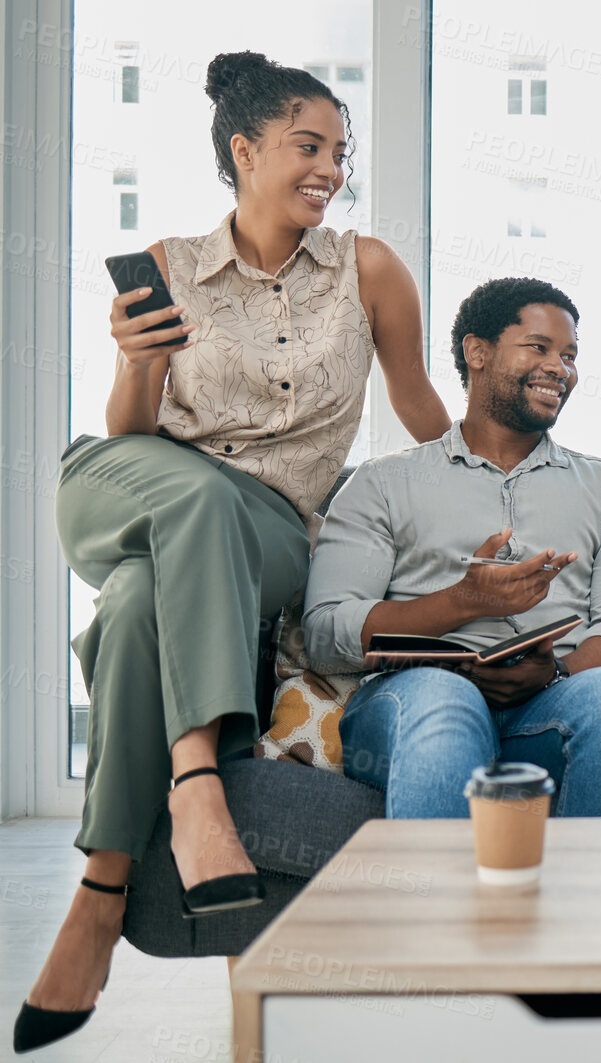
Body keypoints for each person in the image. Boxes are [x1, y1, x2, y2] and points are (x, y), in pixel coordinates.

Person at [15, 51, 452, 1054]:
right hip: (124, 486)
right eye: (309, 146)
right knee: (181, 504)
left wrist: (496, 469)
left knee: (134, 604)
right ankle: (197, 784)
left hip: (269, 537)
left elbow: (420, 408)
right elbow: (132, 433)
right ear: (245, 151)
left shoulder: (368, 270)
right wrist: (138, 362)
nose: (330, 169)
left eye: (340, 152)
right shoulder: (169, 266)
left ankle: (98, 897)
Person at [301, 277, 601, 819]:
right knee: (443, 704)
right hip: (417, 698)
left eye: (570, 356)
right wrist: (463, 602)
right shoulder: (383, 483)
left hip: (553, 702)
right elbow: (326, 631)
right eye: (538, 348)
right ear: (477, 352)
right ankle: (448, 906)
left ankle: (599, 904)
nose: (560, 368)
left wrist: (554, 676)